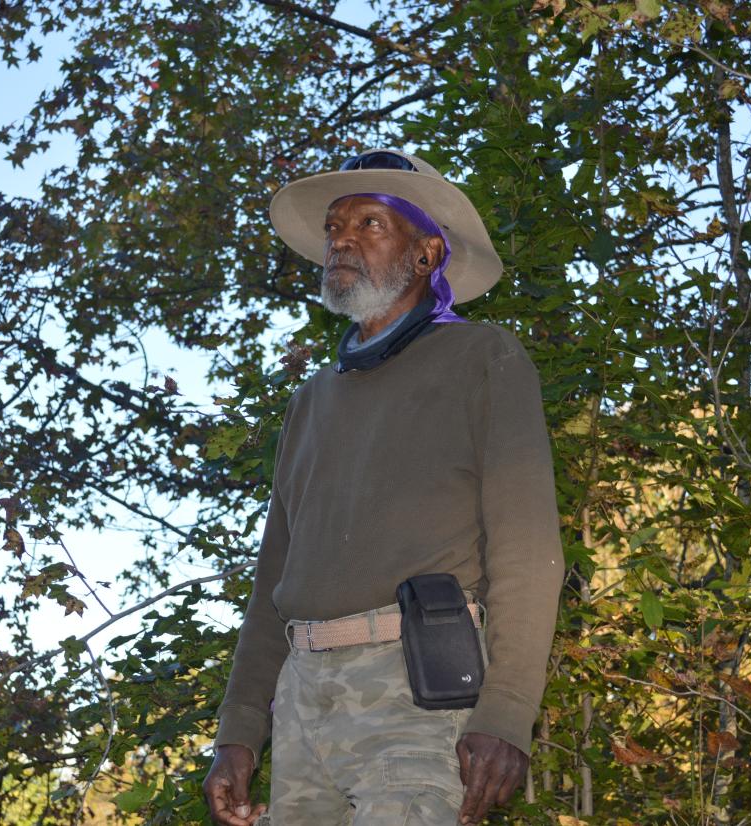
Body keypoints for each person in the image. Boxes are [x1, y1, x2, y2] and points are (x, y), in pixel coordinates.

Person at [202, 148, 563, 825]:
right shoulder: (311, 400)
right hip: (303, 698)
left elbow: (528, 550)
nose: (341, 240)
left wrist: (507, 712)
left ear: (428, 253)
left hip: (416, 693)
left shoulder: (482, 357)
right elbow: (273, 577)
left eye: (369, 223)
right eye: (336, 228)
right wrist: (240, 729)